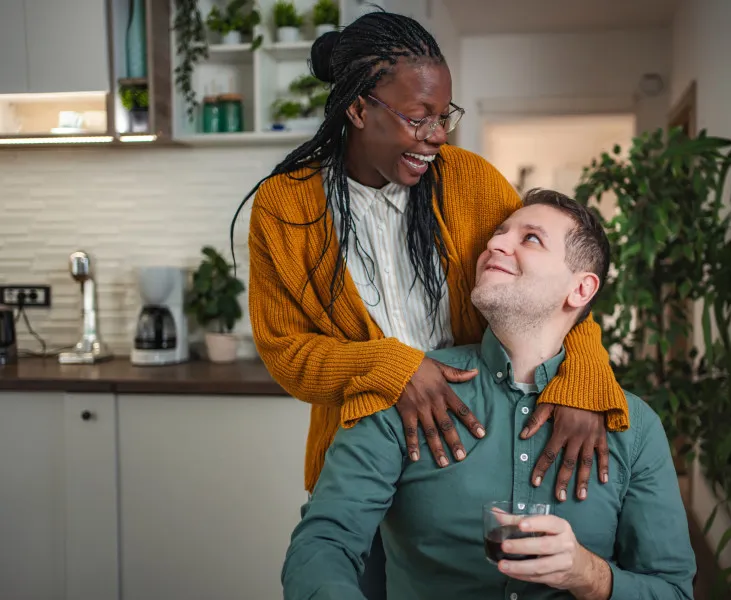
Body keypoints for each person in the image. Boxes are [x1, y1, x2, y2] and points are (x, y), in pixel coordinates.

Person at [237, 9, 631, 599]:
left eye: (444, 116)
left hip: (474, 453)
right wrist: (395, 367)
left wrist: (583, 376)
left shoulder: (470, 181)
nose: (438, 134)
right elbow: (285, 352)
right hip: (362, 455)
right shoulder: (286, 207)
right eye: (418, 118)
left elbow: (552, 291)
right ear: (358, 108)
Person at [281, 189, 696, 600]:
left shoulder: (633, 427)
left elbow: (673, 590)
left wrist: (587, 574)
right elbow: (322, 545)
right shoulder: (404, 389)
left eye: (530, 238)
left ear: (582, 290)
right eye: (497, 234)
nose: (494, 244)